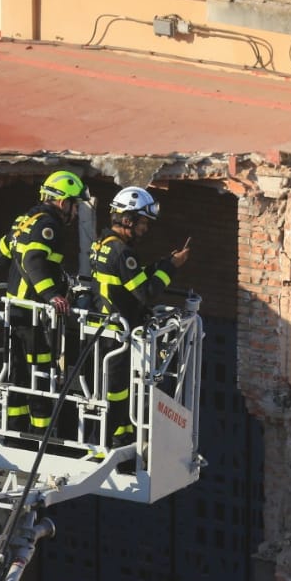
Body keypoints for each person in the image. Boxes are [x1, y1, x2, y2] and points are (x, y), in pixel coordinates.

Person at [87, 186, 191, 447]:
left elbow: (132, 279)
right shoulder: (122, 253)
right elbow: (147, 292)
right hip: (117, 336)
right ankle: (100, 448)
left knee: (117, 394)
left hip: (106, 331)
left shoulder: (103, 244)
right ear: (128, 220)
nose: (145, 229)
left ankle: (121, 439)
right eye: (143, 222)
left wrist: (161, 264)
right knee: (116, 396)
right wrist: (171, 268)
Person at [0, 169, 86, 436]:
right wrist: (52, 295)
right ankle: (39, 435)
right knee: (40, 375)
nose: (75, 212)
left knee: (18, 374)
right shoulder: (49, 226)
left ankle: (16, 432)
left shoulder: (23, 220)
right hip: (30, 314)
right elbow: (33, 261)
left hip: (14, 311)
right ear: (63, 202)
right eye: (75, 206)